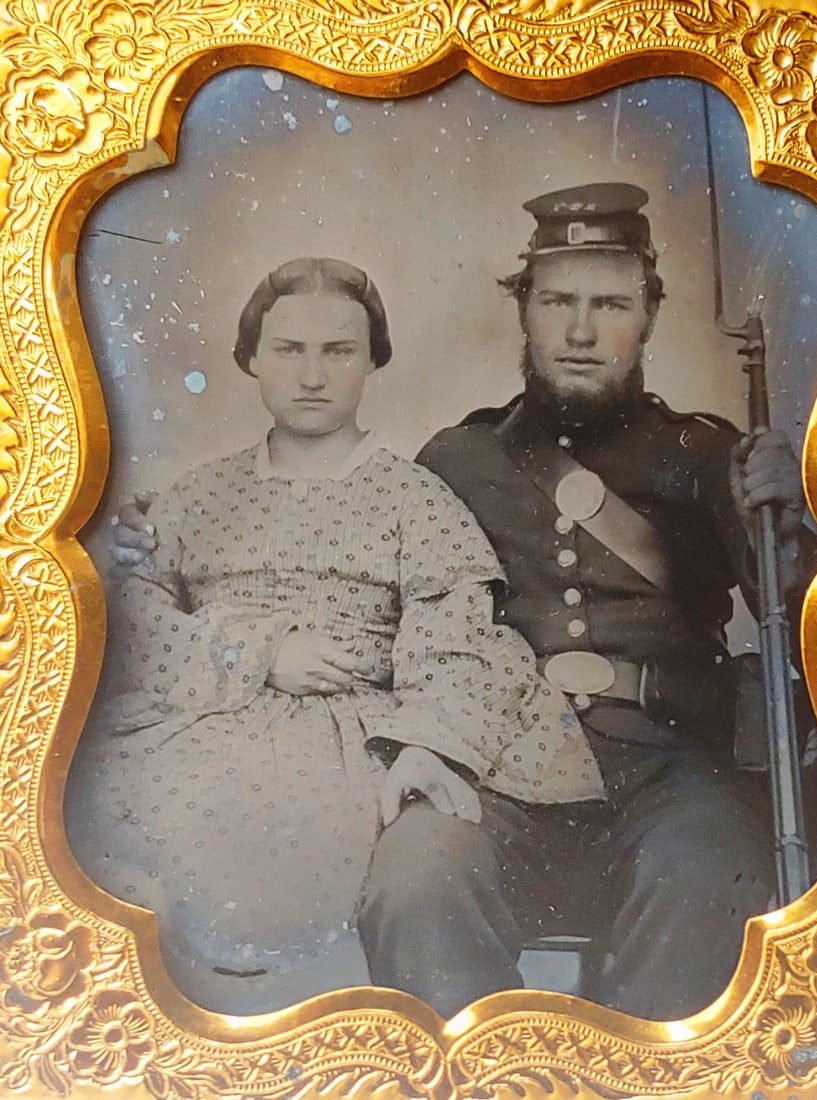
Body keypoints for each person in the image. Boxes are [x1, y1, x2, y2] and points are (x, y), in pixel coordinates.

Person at [110, 186, 817, 1021]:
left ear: (651, 313)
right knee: (414, 885)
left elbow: (815, 621)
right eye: (558, 302)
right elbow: (358, 572)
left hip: (674, 769)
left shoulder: (708, 455)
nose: (583, 332)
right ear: (524, 309)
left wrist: (786, 522)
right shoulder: (457, 458)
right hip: (499, 763)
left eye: (611, 305)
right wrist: (158, 550)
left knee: (707, 886)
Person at [66, 256, 602, 1014]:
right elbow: (138, 618)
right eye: (289, 350)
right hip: (190, 726)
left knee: (270, 871)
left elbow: (455, 631)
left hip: (342, 739)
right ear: (251, 357)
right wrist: (255, 653)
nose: (312, 375)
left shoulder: (413, 497)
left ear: (372, 361)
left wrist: (426, 744)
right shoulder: (200, 494)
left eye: (338, 351)